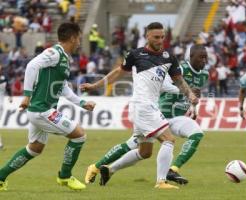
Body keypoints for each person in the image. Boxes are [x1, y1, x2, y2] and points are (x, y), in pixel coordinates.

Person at [80, 22, 198, 189]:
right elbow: (117, 73)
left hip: (149, 106)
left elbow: (179, 80)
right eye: (156, 37)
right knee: (169, 139)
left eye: (162, 37)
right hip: (142, 106)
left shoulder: (169, 57)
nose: (160, 40)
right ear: (147, 36)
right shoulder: (135, 54)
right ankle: (161, 181)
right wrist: (95, 85)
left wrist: (190, 94)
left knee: (145, 152)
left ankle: (101, 168)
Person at [0, 22, 96, 191]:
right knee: (79, 135)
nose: (79, 43)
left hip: (42, 110)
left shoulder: (64, 58)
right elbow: (31, 65)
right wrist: (27, 96)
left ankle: (0, 177)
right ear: (72, 38)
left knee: (35, 149)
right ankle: (65, 176)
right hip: (42, 110)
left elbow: (63, 86)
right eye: (79, 39)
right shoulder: (55, 52)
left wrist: (81, 103)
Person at [0, 64, 13, 150]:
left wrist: (10, 96)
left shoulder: (4, 78)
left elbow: (8, 88)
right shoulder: (4, 78)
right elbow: (8, 88)